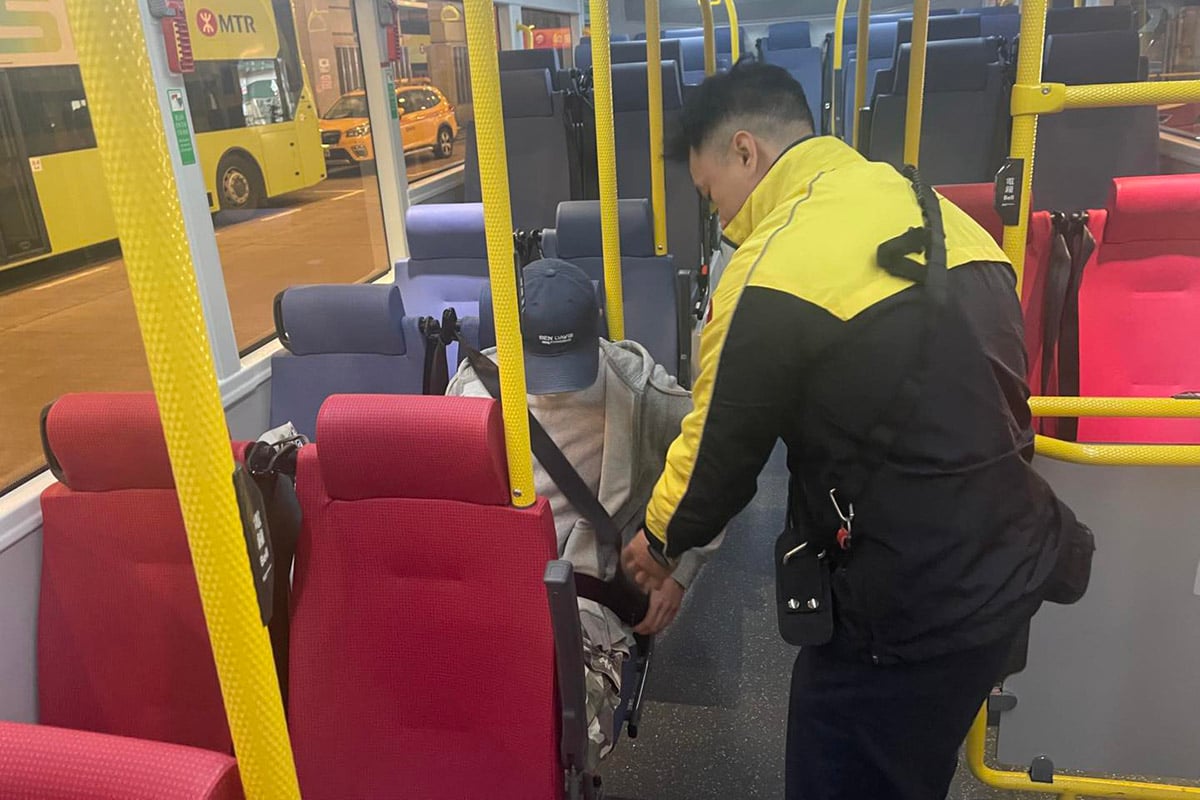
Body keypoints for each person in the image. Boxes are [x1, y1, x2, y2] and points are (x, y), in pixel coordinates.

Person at [620, 61, 1080, 799]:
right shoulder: (936, 211)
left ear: (746, 152)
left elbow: (720, 448)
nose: (723, 222)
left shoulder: (774, 262)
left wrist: (658, 537)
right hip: (1008, 562)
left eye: (713, 196)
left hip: (904, 604)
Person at [446, 258, 722, 768]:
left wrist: (679, 567)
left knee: (542, 723)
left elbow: (716, 457)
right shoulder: (471, 387)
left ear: (595, 334)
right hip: (492, 585)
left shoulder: (637, 389)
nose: (555, 387)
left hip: (585, 593)